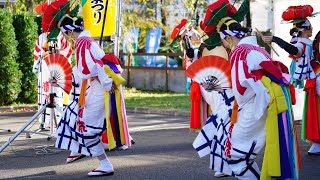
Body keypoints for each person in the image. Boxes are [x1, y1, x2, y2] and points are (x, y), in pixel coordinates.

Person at [54, 15, 118, 176]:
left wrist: (106, 82)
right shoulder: (88, 41)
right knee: (71, 115)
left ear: (69, 32)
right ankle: (78, 149)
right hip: (98, 86)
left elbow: (92, 67)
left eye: (65, 34)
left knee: (85, 127)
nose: (66, 37)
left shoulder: (83, 42)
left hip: (100, 87)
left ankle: (105, 164)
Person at [262, 5, 320, 155]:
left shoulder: (305, 43)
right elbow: (294, 49)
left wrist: (276, 39)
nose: (310, 30)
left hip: (316, 80)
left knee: (316, 110)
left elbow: (295, 50)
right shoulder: (306, 42)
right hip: (314, 80)